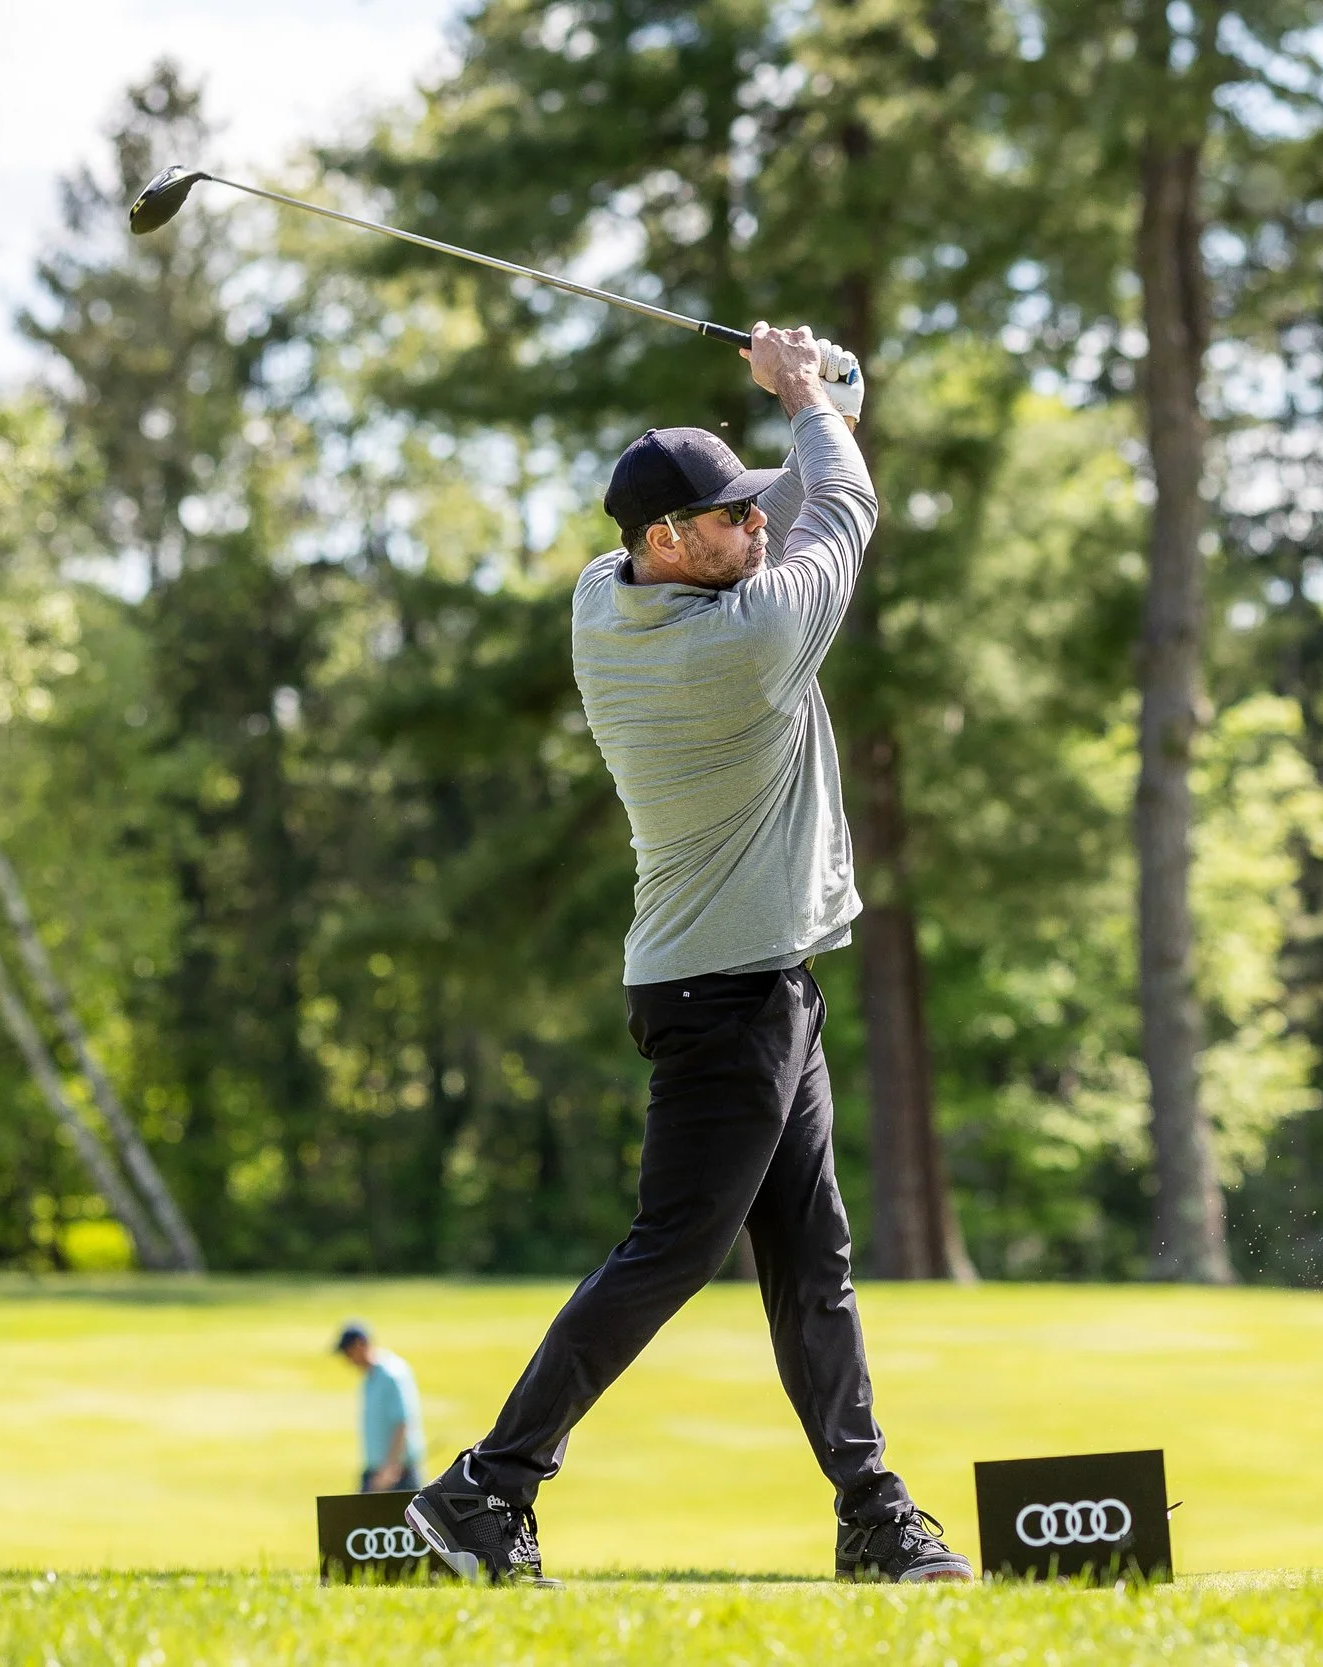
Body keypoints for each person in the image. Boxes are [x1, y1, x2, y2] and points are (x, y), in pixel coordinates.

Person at [406, 323, 969, 1587]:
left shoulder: (607, 601)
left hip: (748, 981)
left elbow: (814, 475)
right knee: (671, 1251)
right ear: (667, 542)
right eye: (726, 520)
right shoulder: (749, 642)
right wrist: (806, 392)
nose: (756, 530)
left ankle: (874, 1514)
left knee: (810, 1264)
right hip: (729, 995)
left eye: (751, 511)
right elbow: (850, 501)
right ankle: (486, 1489)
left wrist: (820, 395)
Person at [335, 1319, 425, 1492]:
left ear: (360, 1345)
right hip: (375, 1472)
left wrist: (390, 1469)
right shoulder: (369, 1376)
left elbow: (402, 1422)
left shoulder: (391, 1374)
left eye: (348, 1353)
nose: (347, 1360)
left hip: (397, 1473)